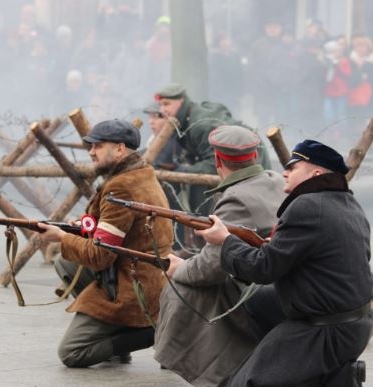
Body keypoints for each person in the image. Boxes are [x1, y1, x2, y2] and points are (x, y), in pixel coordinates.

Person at [197, 139, 373, 386]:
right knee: (258, 301)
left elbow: (263, 268)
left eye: (293, 167)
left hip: (326, 330)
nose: (284, 172)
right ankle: (294, 364)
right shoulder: (347, 202)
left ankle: (324, 374)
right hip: (358, 321)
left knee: (245, 383)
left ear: (315, 173)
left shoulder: (307, 206)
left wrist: (224, 240)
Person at [154, 125, 286, 386]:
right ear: (255, 157)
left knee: (182, 287)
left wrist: (179, 268)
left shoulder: (236, 198)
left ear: (217, 160)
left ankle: (217, 372)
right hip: (278, 279)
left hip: (259, 287)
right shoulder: (276, 180)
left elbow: (212, 268)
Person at [37, 119, 174, 368]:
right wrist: (82, 227)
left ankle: (146, 334)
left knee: (72, 353)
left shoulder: (121, 187)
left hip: (134, 286)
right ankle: (115, 335)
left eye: (98, 146)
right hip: (147, 275)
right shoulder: (139, 173)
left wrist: (62, 237)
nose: (91, 152)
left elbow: (101, 256)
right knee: (65, 263)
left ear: (120, 149)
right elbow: (116, 230)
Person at [155, 83, 272, 217]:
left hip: (247, 155)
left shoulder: (200, 124)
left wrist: (182, 170)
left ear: (181, 102)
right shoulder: (189, 117)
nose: (162, 109)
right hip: (245, 153)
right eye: (160, 105)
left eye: (166, 104)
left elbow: (214, 163)